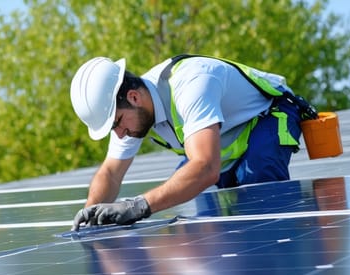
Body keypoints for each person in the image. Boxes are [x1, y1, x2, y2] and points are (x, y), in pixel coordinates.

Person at [69, 55, 313, 230]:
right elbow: (111, 173)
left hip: (266, 116)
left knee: (259, 193)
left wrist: (137, 206)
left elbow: (206, 167)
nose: (120, 134)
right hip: (221, 140)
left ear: (133, 97)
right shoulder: (131, 115)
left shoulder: (191, 84)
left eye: (117, 123)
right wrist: (92, 212)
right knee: (204, 224)